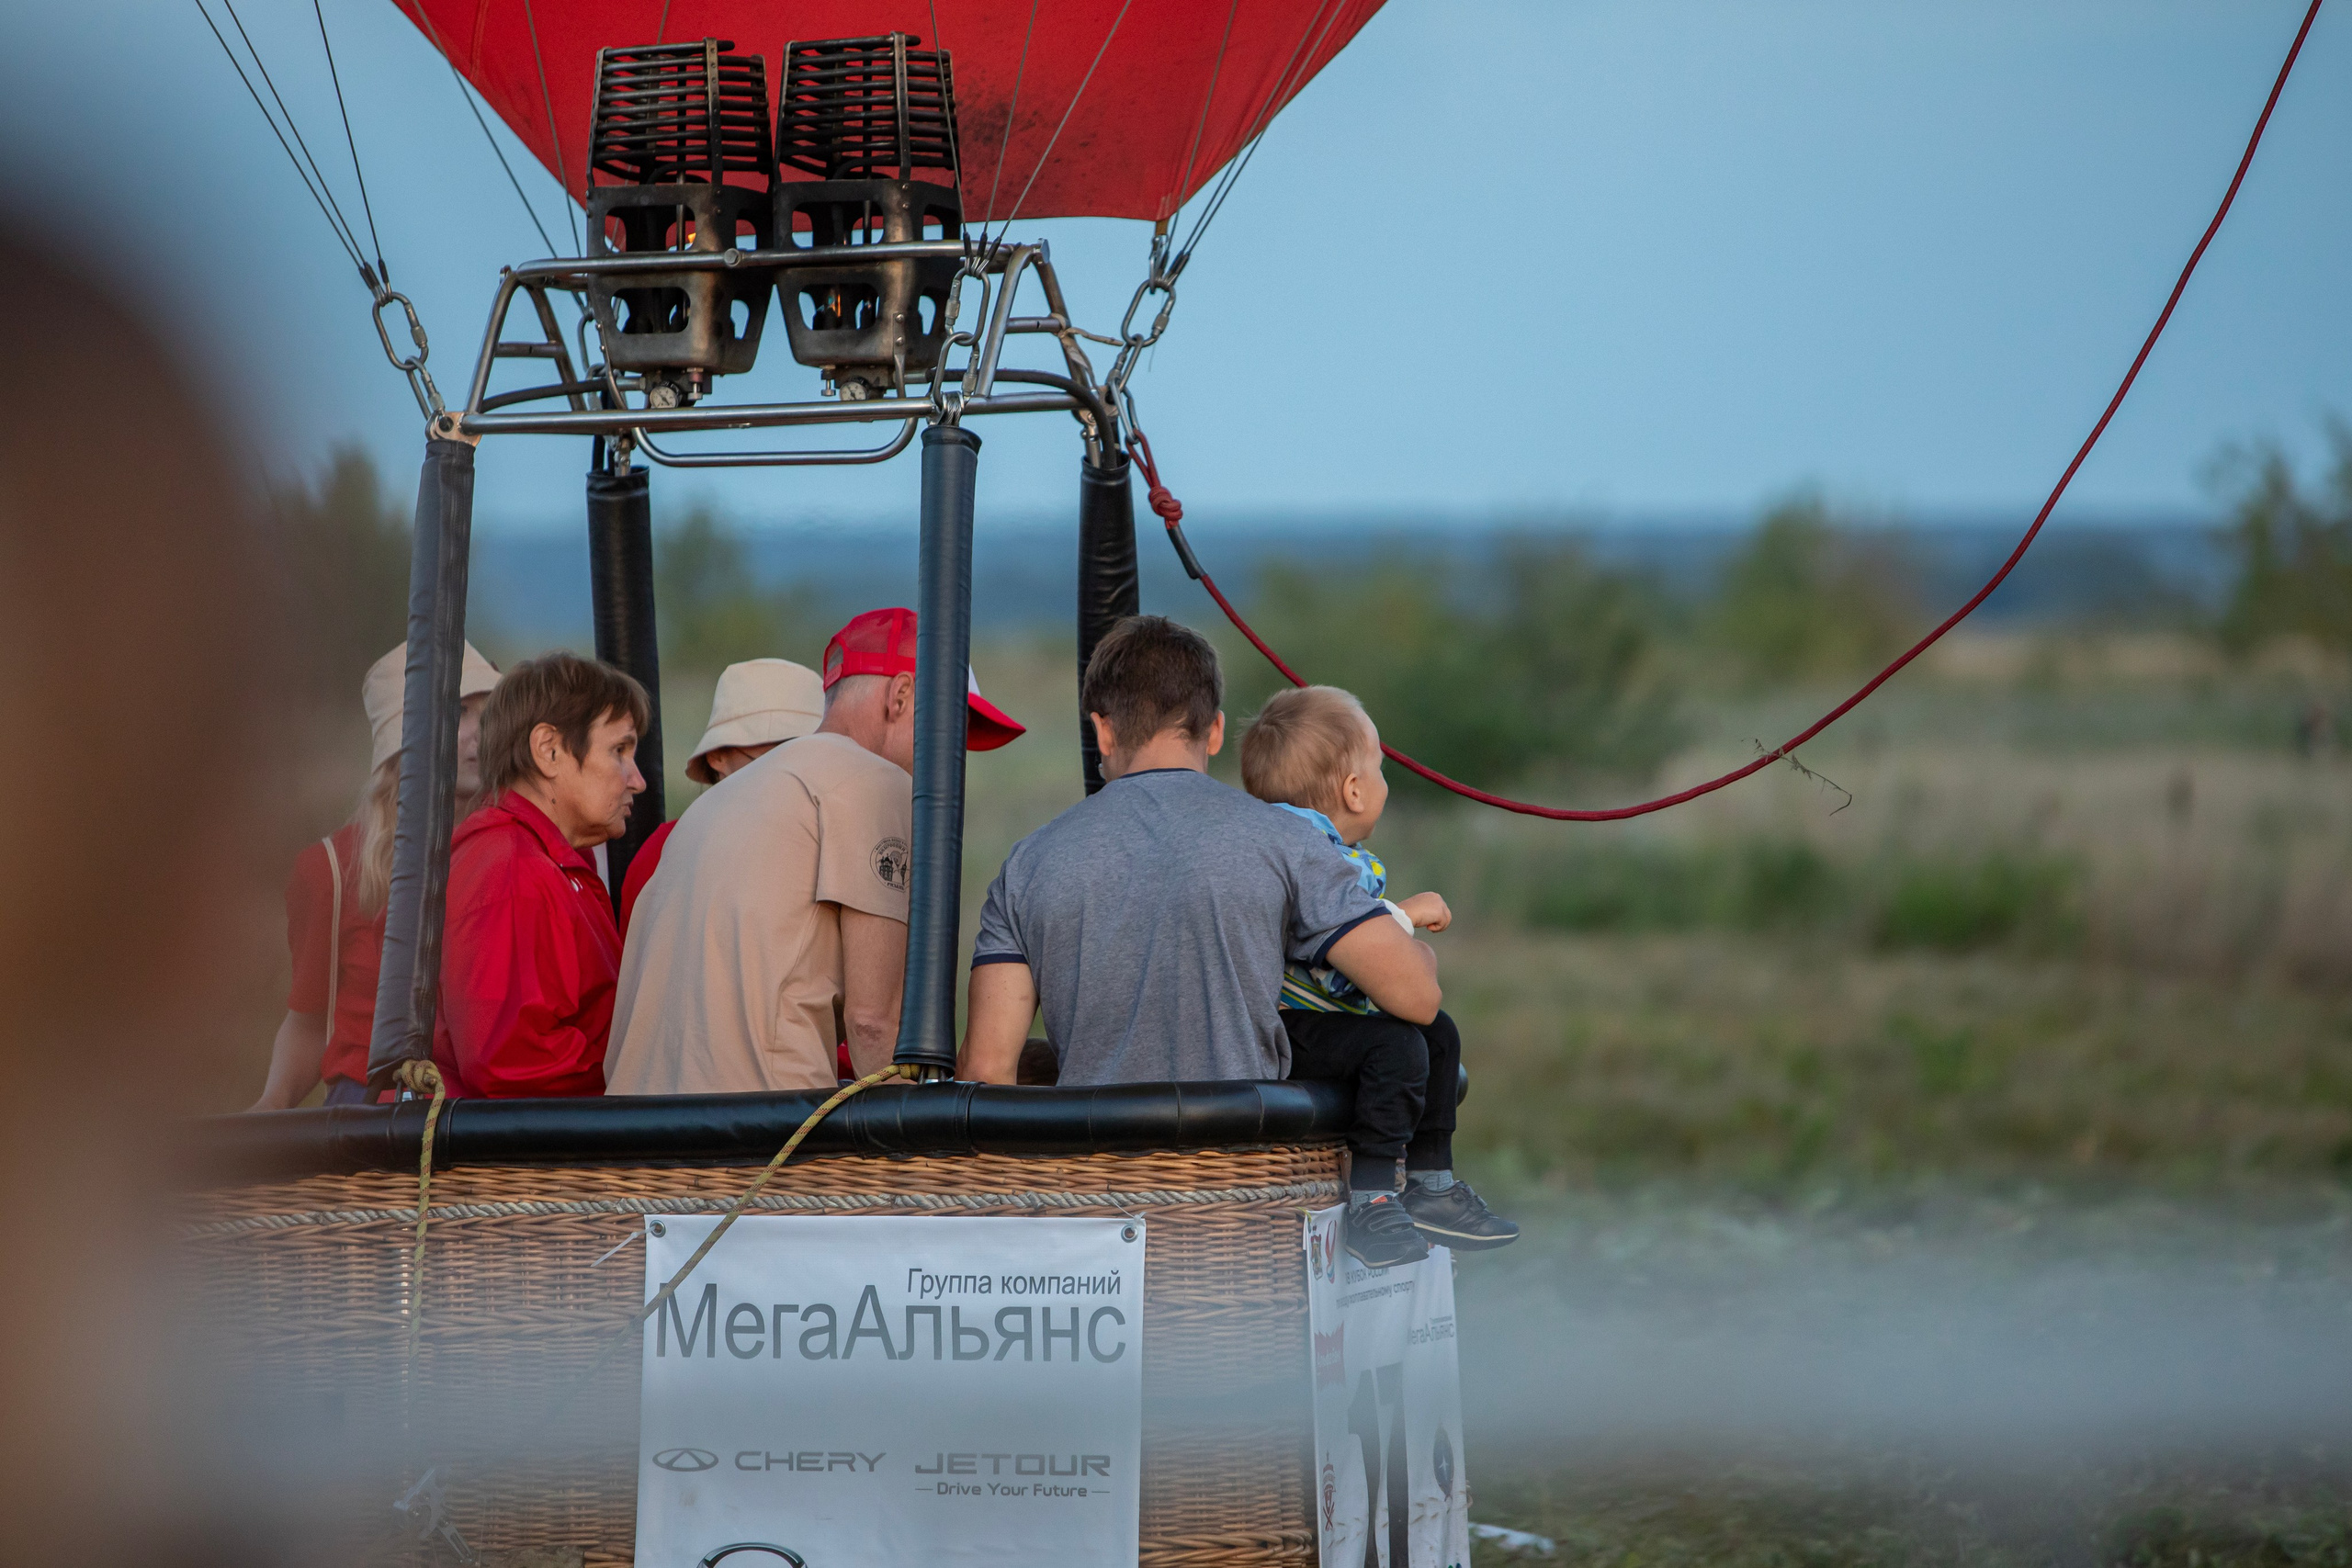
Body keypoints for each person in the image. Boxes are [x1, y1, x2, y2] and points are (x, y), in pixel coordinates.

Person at [956, 615, 1442, 1266]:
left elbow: (986, 1074)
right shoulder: (1288, 842)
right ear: (1214, 730)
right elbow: (1416, 997)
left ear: (1102, 729)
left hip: (1093, 1216)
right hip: (1247, 1201)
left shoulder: (1028, 864)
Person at [605, 608, 1024, 1096]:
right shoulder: (877, 783)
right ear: (900, 696)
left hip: (639, 1124)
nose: (953, 761)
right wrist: (928, 1134)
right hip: (765, 1125)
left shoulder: (708, 807)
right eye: (952, 730)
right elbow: (875, 1024)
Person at [1239, 683, 1518, 1254]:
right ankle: (1372, 1200)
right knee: (1399, 1045)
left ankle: (1431, 1184)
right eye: (1381, 769)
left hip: (1317, 1015)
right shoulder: (1308, 851)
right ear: (1354, 789)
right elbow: (1344, 964)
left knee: (1438, 1037)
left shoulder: (1288, 842)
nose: (1384, 783)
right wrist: (1404, 918)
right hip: (1287, 1024)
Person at [249, 641, 501, 1110]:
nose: (479, 733)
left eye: (490, 713)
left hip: (480, 1112)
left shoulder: (512, 850)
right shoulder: (331, 869)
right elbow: (311, 1021)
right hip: (370, 1117)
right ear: (402, 738)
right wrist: (272, 1104)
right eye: (459, 712)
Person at [434, 652, 648, 1098]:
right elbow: (509, 1058)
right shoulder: (511, 869)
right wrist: (641, 1069)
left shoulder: (544, 858)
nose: (637, 780)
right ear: (549, 750)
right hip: (523, 1144)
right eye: (619, 751)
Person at [617, 658, 826, 934]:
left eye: (811, 757)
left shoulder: (836, 846)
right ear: (718, 757)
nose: (793, 776)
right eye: (773, 759)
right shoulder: (664, 854)